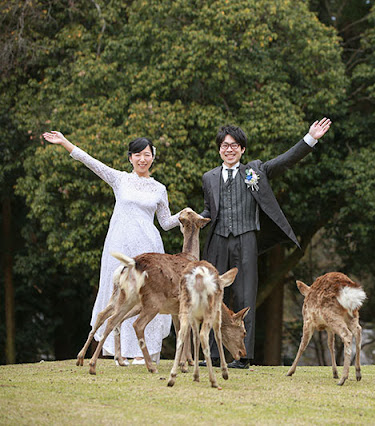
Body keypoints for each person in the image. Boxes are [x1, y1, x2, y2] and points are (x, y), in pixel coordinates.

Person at [200, 118, 332, 369]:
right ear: (219, 149)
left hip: (246, 238)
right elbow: (209, 209)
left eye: (235, 145)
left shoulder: (255, 171)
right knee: (213, 296)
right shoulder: (209, 177)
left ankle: (244, 356)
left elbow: (284, 160)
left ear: (242, 150)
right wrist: (194, 219)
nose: (230, 149)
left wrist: (310, 138)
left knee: (245, 294)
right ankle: (214, 354)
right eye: (225, 145)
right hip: (217, 240)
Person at [42, 131, 181, 364]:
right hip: (119, 245)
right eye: (137, 155)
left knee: (149, 296)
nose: (142, 159)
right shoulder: (120, 179)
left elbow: (166, 222)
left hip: (149, 247)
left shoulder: (159, 188)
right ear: (130, 158)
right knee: (118, 296)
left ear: (153, 158)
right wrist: (66, 143)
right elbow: (91, 162)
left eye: (147, 155)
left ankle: (142, 352)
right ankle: (119, 352)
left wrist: (187, 215)